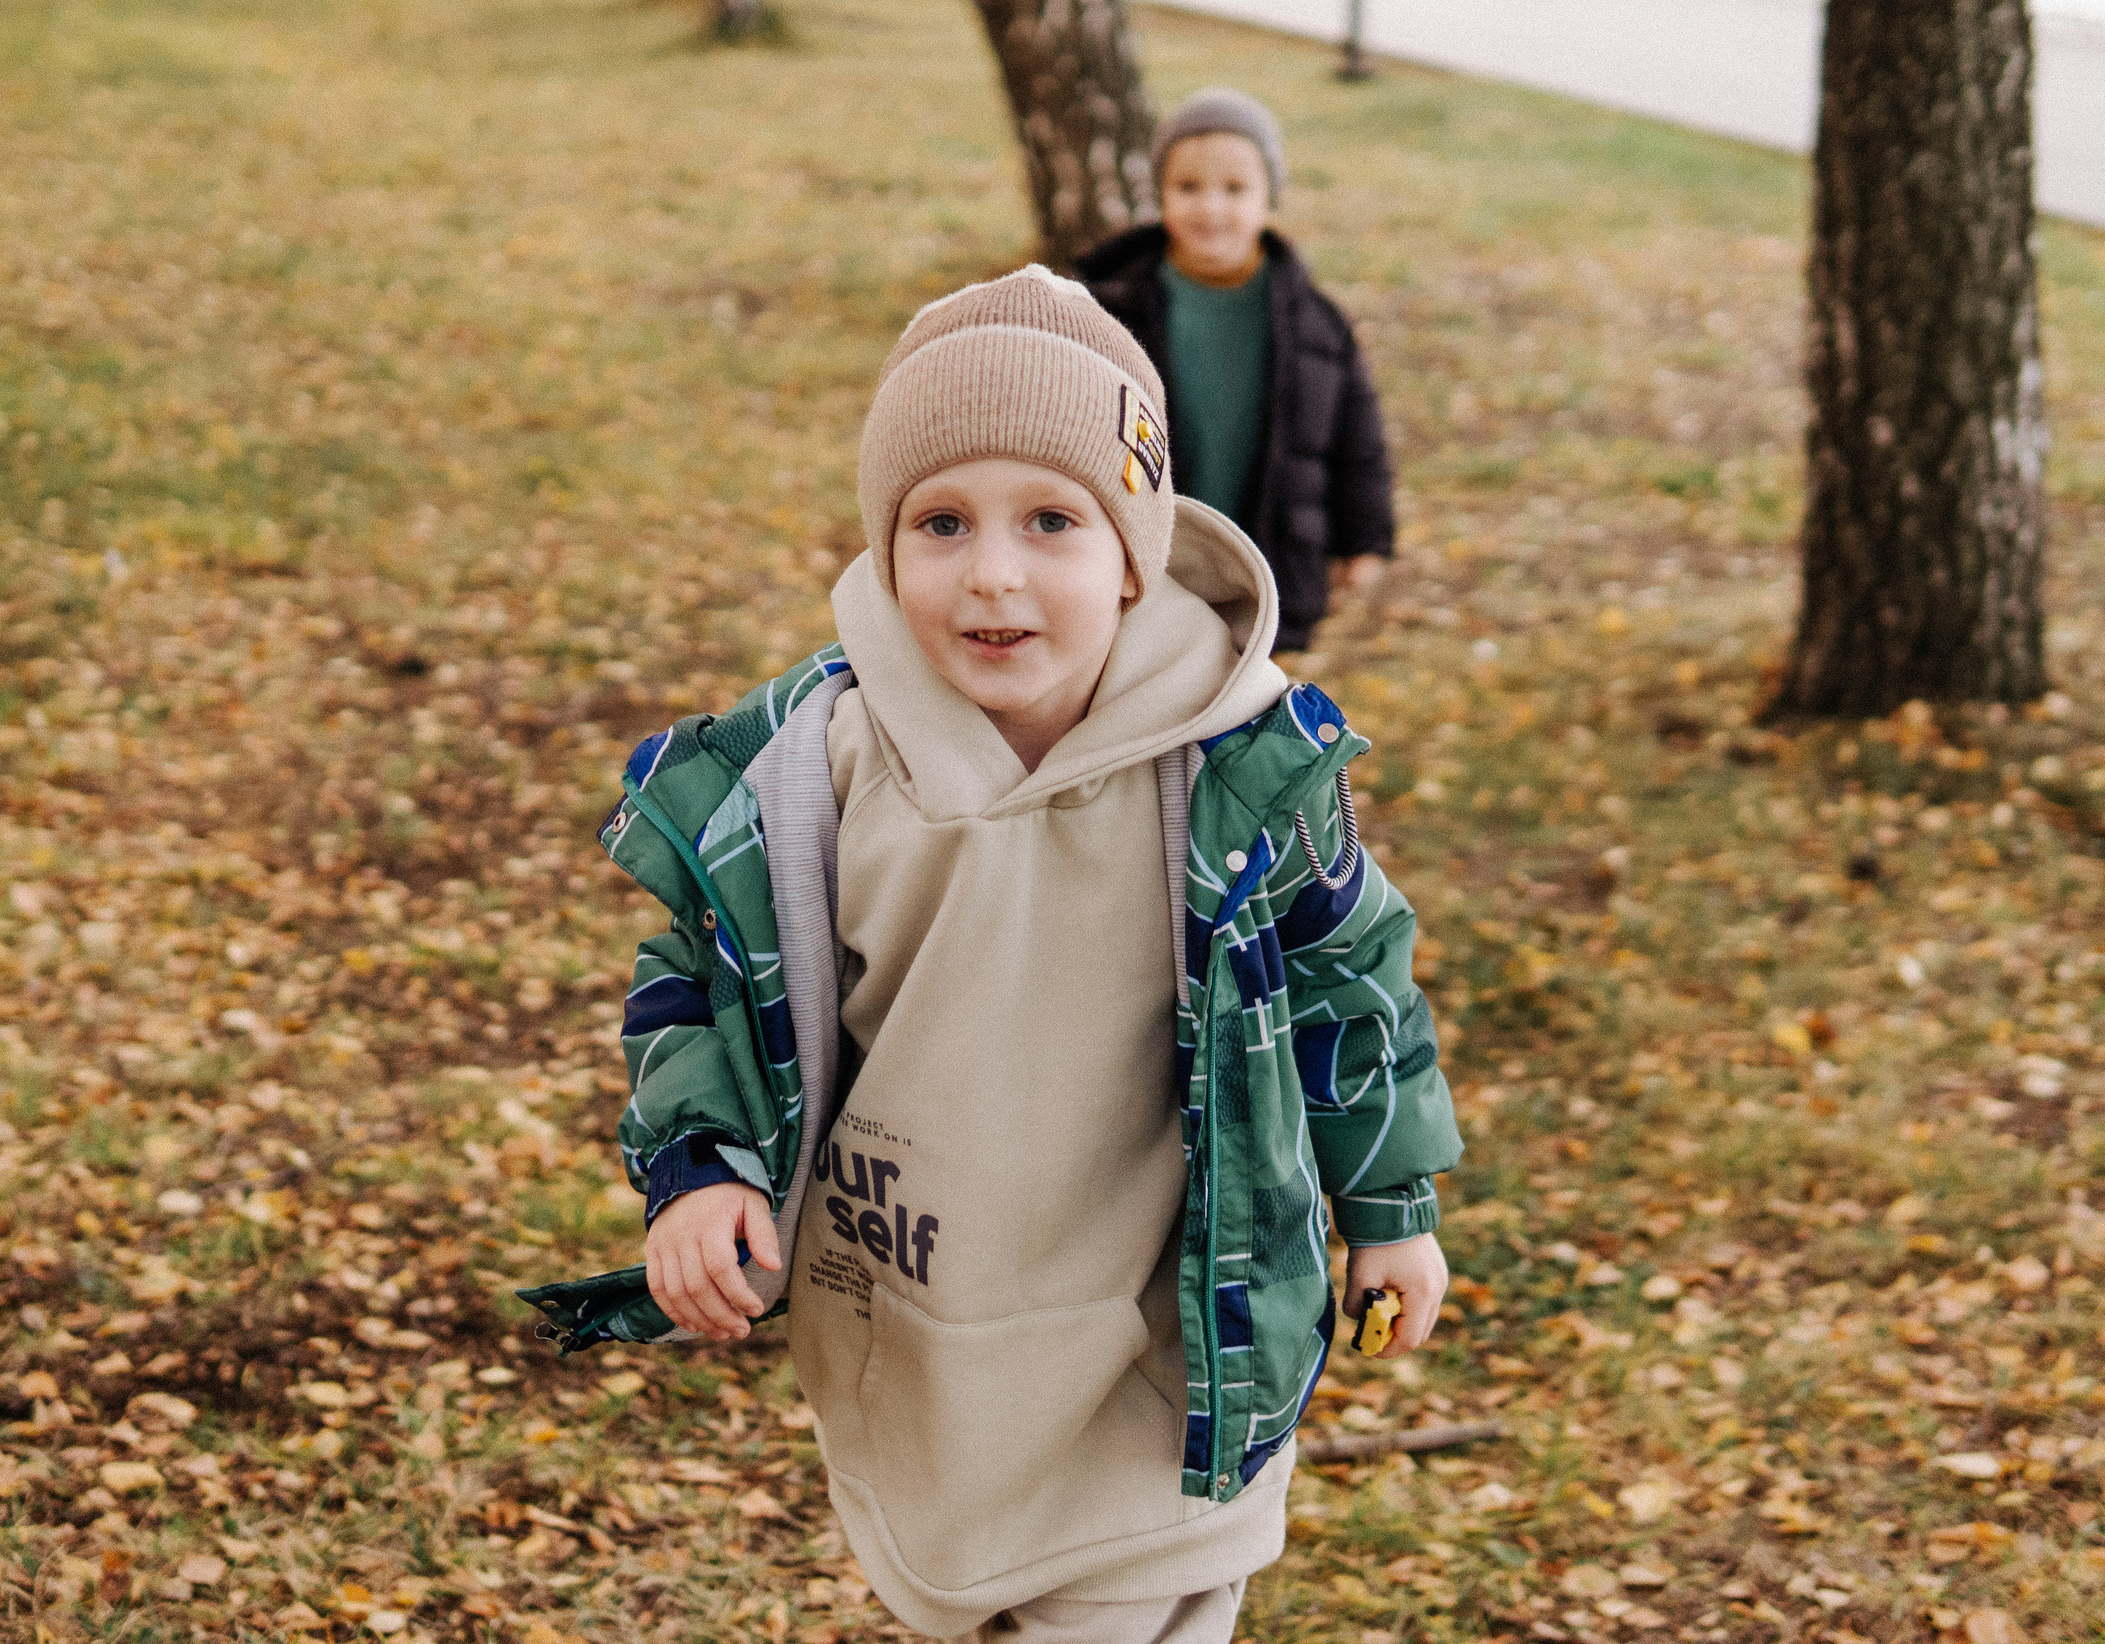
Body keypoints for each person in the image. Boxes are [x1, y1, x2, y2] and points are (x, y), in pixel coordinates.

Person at [522, 267, 1461, 1644]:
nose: (994, 571)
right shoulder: (819, 766)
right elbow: (707, 982)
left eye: (1052, 519)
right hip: (925, 1309)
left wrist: (1390, 1204)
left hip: (1162, 1330)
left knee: (1137, 1587)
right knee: (969, 1587)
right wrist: (694, 1169)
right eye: (942, 521)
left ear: (1135, 553)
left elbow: (1353, 979)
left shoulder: (1235, 765)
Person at [1078, 88, 1397, 654]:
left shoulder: (1314, 323)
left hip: (1267, 550)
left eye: (1235, 188)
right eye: (1188, 187)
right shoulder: (1111, 307)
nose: (1211, 208)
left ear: (1270, 197)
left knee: (1246, 707)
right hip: (1148, 557)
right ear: (1160, 194)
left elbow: (1357, 442)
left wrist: (1362, 539)